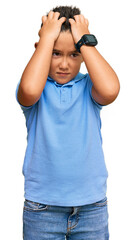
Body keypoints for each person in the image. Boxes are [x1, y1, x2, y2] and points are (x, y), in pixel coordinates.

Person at [16, 5, 120, 240]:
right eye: (55, 53)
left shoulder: (89, 88)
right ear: (41, 50)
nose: (65, 64)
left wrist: (85, 41)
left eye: (74, 54)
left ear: (84, 55)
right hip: (42, 209)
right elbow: (29, 89)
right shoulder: (35, 88)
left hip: (91, 208)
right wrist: (46, 39)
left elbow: (111, 90)